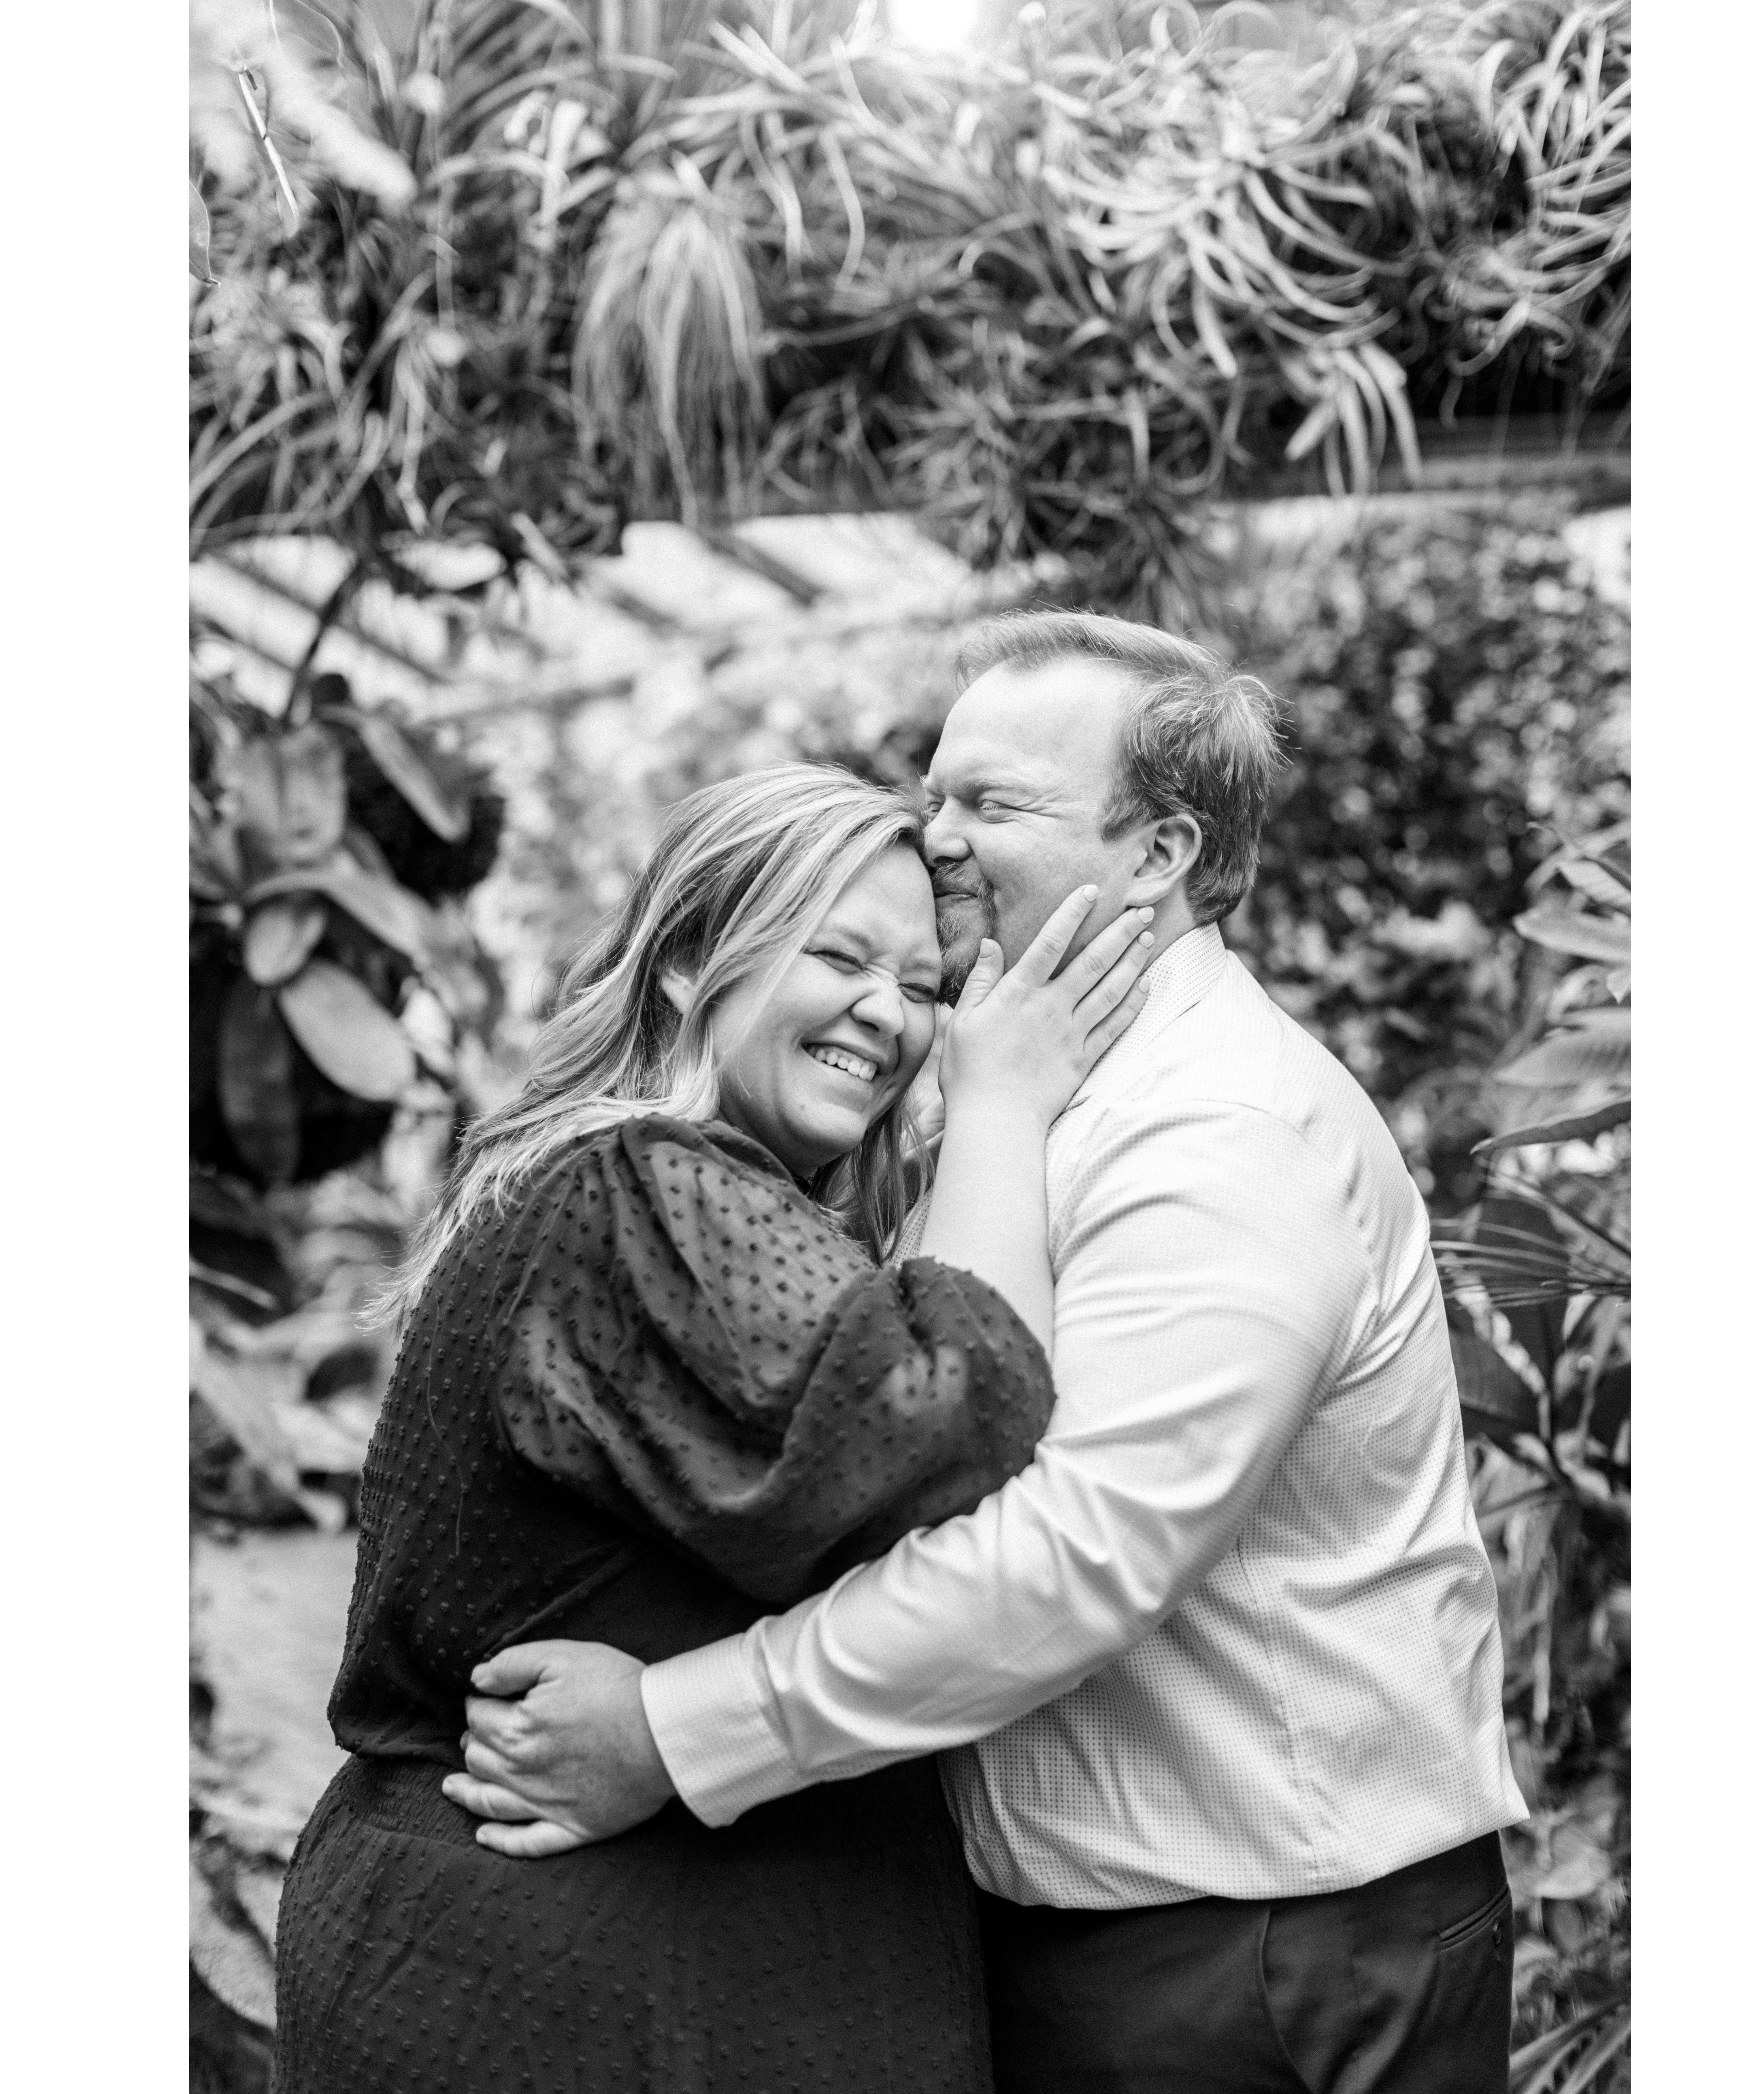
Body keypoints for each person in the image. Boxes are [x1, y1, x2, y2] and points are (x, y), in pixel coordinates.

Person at [446, 615, 1532, 2094]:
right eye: (934, 790)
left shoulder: (1220, 1131)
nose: (935, 837)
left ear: (1159, 853)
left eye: (992, 804)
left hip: (1265, 1957)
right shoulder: (1019, 1081)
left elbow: (1077, 1554)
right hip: (1103, 1938)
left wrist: (673, 1730)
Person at [271, 760, 1157, 2094]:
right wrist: (1003, 1106)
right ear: (690, 961)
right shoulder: (646, 1181)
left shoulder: (648, 1186)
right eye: (840, 957)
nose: (890, 1013)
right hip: (577, 1979)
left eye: (922, 987)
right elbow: (949, 1414)